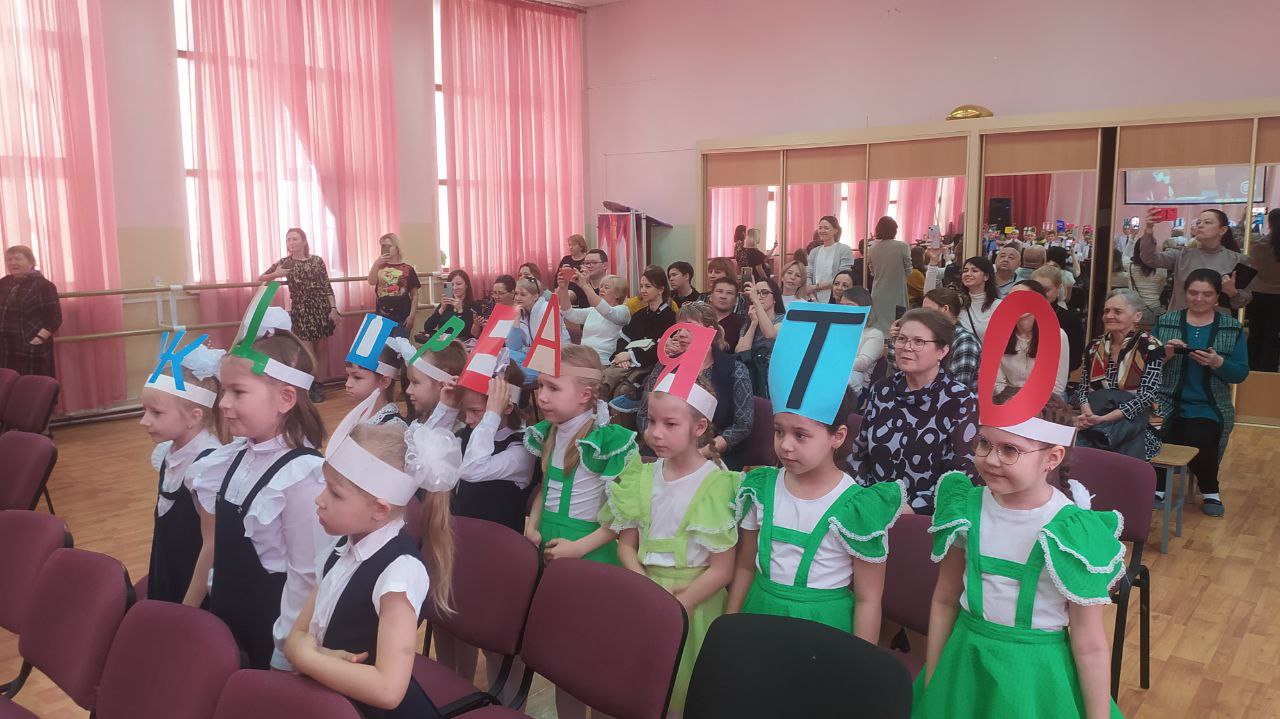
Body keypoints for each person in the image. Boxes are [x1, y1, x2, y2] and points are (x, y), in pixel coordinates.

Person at [914, 401, 1125, 719]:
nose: (991, 459)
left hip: (1035, 678)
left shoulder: (1073, 531)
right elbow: (945, 600)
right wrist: (934, 676)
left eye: (1010, 450)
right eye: (984, 443)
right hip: (964, 663)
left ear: (1052, 458)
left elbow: (1089, 643)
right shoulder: (964, 508)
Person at [285, 417, 461, 719]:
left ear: (380, 509)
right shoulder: (339, 549)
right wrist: (314, 654)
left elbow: (388, 690)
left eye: (335, 493)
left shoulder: (400, 571)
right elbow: (297, 635)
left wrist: (306, 657)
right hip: (334, 702)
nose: (320, 500)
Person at [189, 314, 326, 669]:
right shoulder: (233, 458)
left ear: (285, 398)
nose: (223, 403)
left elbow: (305, 578)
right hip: (228, 621)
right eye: (224, 391)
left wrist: (286, 654)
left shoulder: (300, 476)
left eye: (238, 392)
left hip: (268, 635)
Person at [606, 378, 739, 713]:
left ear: (699, 427)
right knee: (639, 688)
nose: (655, 433)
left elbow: (723, 569)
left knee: (682, 691)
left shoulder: (717, 485)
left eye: (670, 424)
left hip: (693, 604)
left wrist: (681, 604)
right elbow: (626, 546)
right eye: (651, 421)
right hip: (644, 594)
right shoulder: (641, 476)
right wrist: (646, 589)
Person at [727, 387, 903, 637]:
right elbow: (745, 567)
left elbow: (868, 600)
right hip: (758, 612)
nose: (785, 445)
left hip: (823, 628)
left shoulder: (858, 508)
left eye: (800, 435)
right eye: (778, 431)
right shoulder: (760, 488)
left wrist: (861, 658)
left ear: (837, 436)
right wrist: (728, 628)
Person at [850, 308, 977, 513]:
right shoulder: (882, 390)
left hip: (925, 515)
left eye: (918, 341)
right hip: (872, 506)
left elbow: (961, 475)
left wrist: (911, 509)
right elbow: (858, 453)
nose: (906, 347)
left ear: (942, 351)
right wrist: (865, 496)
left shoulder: (959, 399)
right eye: (901, 339)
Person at [1152, 269, 1249, 517]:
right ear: (1185, 293)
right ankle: (1158, 485)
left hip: (1209, 403)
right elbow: (1145, 363)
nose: (1198, 299)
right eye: (1193, 293)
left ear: (1217, 297)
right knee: (1153, 428)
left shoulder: (1231, 327)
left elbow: (1240, 373)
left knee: (1198, 434)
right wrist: (1165, 354)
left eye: (1207, 294)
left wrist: (1218, 363)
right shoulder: (1166, 321)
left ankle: (1210, 490)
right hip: (1164, 399)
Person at [139, 340, 224, 606]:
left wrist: (188, 607)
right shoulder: (169, 451)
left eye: (156, 413)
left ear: (194, 416)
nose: (144, 421)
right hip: (168, 569)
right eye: (144, 410)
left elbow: (212, 546)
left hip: (193, 588)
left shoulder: (208, 466)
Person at [636, 302, 754, 470]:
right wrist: (659, 442)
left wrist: (701, 453)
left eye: (689, 328)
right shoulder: (666, 366)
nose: (681, 335)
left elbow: (743, 425)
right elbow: (643, 413)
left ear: (710, 331)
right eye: (679, 328)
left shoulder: (734, 369)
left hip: (712, 452)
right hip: (662, 448)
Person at [1074, 289, 1164, 461]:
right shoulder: (1094, 347)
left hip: (1135, 421)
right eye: (1106, 311)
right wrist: (1088, 413)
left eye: (1117, 311)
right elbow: (1083, 389)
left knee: (1110, 448)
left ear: (1137, 316)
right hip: (1096, 417)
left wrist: (1104, 419)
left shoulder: (1151, 347)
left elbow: (1147, 396)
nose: (1109, 316)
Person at [259, 228, 338, 402]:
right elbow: (261, 277)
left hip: (321, 309)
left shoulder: (317, 260)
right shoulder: (285, 262)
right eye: (288, 240)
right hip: (301, 312)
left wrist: (333, 308)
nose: (291, 242)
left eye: (295, 239)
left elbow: (326, 286)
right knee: (307, 353)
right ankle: (310, 385)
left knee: (322, 350)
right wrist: (277, 274)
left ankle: (320, 384)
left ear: (304, 241)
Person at [1138, 208, 1252, 313]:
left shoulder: (1238, 260)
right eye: (1198, 222)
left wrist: (1232, 292)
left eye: (1207, 222)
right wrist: (1149, 229)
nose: (1200, 226)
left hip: (1216, 323)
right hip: (1179, 321)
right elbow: (1150, 259)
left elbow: (1243, 301)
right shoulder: (1181, 255)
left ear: (1222, 230)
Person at [602, 266, 677, 400]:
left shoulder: (670, 317)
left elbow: (661, 349)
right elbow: (623, 338)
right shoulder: (639, 315)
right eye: (641, 286)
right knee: (602, 379)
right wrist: (621, 355)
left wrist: (630, 355)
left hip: (649, 367)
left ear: (661, 289)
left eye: (648, 286)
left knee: (621, 389)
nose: (643, 290)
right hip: (628, 362)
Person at [993, 281, 1070, 399]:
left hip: (1046, 403)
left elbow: (1057, 387)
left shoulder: (1058, 336)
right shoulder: (999, 335)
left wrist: (1030, 404)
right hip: (1006, 402)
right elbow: (997, 383)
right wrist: (1014, 403)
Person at [0, 245, 62, 377]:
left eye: (18, 259)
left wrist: (38, 339)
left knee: (33, 384)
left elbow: (55, 317)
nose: (13, 263)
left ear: (31, 261)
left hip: (30, 345)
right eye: (9, 259)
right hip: (5, 346)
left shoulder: (44, 285)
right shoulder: (4, 282)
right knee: (7, 383)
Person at [560, 272, 630, 365]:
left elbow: (607, 311)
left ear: (618, 294)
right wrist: (564, 288)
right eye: (601, 287)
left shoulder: (623, 311)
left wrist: (585, 285)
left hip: (604, 363)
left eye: (606, 287)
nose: (601, 289)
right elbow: (569, 314)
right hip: (583, 359)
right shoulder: (593, 310)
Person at [1030, 265, 1085, 375]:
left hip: (1055, 377)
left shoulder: (1071, 320)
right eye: (1036, 289)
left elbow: (1074, 361)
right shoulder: (1023, 316)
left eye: (1046, 290)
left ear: (1058, 288)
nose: (1041, 294)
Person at [736, 279, 785, 397]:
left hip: (775, 375)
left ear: (775, 298)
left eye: (764, 292)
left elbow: (770, 333)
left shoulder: (784, 319)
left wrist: (756, 302)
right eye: (756, 293)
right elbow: (740, 351)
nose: (758, 296)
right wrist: (753, 323)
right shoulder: (748, 322)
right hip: (752, 376)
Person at [1246, 208, 1280, 371]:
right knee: (1272, 336)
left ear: (1269, 223)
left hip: (1258, 295)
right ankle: (1269, 372)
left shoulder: (1258, 245)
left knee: (1255, 333)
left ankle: (1251, 370)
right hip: (1278, 298)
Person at [367, 233, 420, 338]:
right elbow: (371, 281)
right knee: (383, 346)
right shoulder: (379, 267)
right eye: (383, 246)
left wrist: (412, 316)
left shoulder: (408, 269)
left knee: (399, 346)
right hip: (382, 316)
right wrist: (376, 264)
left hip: (403, 316)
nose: (385, 249)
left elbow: (415, 295)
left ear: (397, 248)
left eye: (389, 246)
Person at [867, 216, 911, 334]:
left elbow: (872, 271)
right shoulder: (903, 246)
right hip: (897, 291)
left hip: (878, 292)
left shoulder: (872, 248)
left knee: (878, 328)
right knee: (897, 326)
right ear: (894, 230)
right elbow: (909, 270)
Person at [841, 287, 885, 403]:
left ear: (864, 308)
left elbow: (862, 363)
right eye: (842, 305)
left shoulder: (874, 334)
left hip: (856, 389)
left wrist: (832, 363)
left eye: (849, 305)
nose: (844, 309)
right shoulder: (837, 330)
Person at [418, 269, 479, 343]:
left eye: (459, 284)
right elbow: (427, 327)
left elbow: (467, 333)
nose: (455, 288)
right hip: (442, 343)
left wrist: (460, 311)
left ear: (466, 285)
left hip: (461, 345)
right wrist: (441, 309)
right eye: (452, 285)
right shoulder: (446, 304)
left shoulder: (474, 306)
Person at [804, 216, 854, 302]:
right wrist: (811, 295)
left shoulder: (845, 249)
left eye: (826, 228)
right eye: (820, 228)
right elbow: (809, 274)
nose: (822, 231)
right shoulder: (814, 252)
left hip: (837, 295)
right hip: (814, 297)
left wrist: (816, 287)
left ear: (835, 231)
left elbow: (843, 277)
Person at [957, 256, 1002, 340]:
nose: (968, 274)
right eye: (965, 271)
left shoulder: (998, 305)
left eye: (974, 271)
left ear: (986, 276)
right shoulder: (957, 302)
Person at [707, 275, 746, 346]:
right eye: (719, 291)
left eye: (729, 293)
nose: (723, 296)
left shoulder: (741, 324)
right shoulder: (700, 321)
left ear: (736, 301)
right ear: (710, 297)